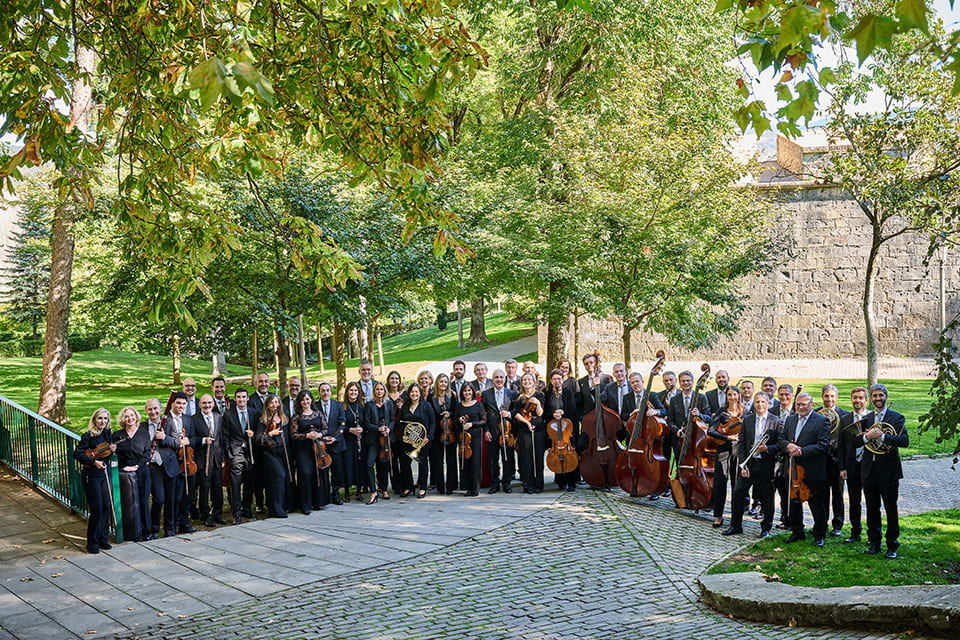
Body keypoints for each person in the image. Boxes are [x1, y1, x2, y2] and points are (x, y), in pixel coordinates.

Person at [723, 392, 782, 538]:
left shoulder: (776, 421)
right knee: (738, 493)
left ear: (768, 404)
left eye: (763, 402)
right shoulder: (747, 420)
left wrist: (767, 449)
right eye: (757, 402)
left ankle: (766, 528)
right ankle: (736, 526)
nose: (760, 405)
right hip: (750, 464)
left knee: (767, 497)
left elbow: (781, 444)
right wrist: (743, 465)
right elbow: (742, 443)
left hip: (767, 464)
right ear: (754, 404)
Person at [861, 383, 908, 559]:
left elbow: (904, 441)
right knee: (872, 508)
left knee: (891, 508)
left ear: (885, 397)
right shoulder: (866, 418)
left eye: (880, 395)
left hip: (888, 471)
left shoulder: (897, 418)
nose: (878, 399)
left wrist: (882, 436)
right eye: (874, 396)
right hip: (869, 470)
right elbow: (857, 440)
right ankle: (874, 543)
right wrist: (867, 436)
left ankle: (892, 545)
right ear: (871, 399)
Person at [778, 391, 830, 546]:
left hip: (813, 470)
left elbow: (823, 445)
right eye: (798, 404)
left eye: (804, 404)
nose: (800, 407)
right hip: (793, 469)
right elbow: (781, 439)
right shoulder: (790, 419)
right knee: (794, 503)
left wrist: (801, 451)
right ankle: (797, 532)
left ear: (812, 405)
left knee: (816, 504)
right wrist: (788, 445)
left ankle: (820, 534)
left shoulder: (822, 421)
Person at [74, 408, 116, 553]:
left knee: (106, 507)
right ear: (94, 420)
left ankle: (103, 539)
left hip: (105, 473)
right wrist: (93, 463)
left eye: (105, 419)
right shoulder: (88, 436)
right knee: (97, 509)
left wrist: (112, 450)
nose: (103, 421)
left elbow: (106, 455)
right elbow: (77, 454)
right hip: (91, 475)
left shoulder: (107, 434)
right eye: (100, 418)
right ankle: (92, 542)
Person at [706, 387, 745, 528]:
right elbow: (710, 431)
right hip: (723, 450)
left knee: (737, 485)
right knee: (719, 483)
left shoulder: (745, 411)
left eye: (735, 394)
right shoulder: (721, 412)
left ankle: (735, 518)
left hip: (739, 451)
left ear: (739, 396)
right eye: (730, 394)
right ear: (726, 396)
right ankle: (718, 516)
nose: (732, 397)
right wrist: (726, 437)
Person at [817, 384, 850, 537]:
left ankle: (837, 525)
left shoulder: (844, 415)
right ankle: (821, 524)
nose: (829, 399)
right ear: (822, 397)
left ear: (836, 397)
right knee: (821, 495)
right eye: (826, 396)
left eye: (832, 396)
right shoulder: (815, 414)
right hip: (820, 460)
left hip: (837, 461)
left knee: (837, 495)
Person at [837, 386, 870, 543]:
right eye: (854, 397)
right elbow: (841, 446)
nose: (857, 400)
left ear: (866, 400)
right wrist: (842, 467)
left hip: (869, 465)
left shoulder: (872, 418)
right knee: (854, 501)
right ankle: (855, 532)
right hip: (852, 466)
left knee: (872, 501)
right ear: (851, 399)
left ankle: (872, 535)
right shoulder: (845, 419)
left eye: (860, 398)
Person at [114, 405, 150, 542]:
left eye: (132, 415)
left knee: (143, 502)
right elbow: (115, 453)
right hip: (125, 475)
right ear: (123, 419)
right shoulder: (117, 435)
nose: (130, 418)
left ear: (136, 417)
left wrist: (136, 466)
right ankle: (131, 532)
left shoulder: (143, 433)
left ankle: (146, 531)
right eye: (127, 416)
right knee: (128, 503)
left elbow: (147, 454)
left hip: (141, 471)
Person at [221, 387, 258, 524]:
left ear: (248, 398)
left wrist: (253, 435)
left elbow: (259, 432)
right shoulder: (228, 414)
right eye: (238, 397)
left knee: (249, 482)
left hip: (250, 453)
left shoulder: (254, 413)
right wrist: (229, 453)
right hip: (235, 453)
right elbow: (225, 435)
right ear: (235, 399)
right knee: (235, 484)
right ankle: (236, 512)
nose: (241, 400)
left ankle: (247, 509)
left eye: (244, 397)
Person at [290, 389, 328, 514]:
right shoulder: (296, 417)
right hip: (303, 449)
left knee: (317, 473)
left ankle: (317, 502)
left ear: (311, 400)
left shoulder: (318, 414)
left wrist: (319, 434)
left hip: (317, 448)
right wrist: (306, 436)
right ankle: (305, 505)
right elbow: (293, 435)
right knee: (305, 473)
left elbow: (325, 429)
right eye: (303, 400)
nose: (305, 402)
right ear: (299, 402)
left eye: (307, 399)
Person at [256, 394, 294, 518]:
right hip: (270, 453)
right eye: (271, 403)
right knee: (278, 478)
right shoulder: (263, 420)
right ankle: (276, 510)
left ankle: (286, 506)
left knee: (287, 477)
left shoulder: (284, 419)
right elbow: (259, 440)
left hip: (285, 451)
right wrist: (270, 434)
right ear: (267, 405)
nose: (274, 405)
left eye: (276, 402)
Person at [481, 369, 516, 494]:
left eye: (501, 377)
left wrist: (510, 414)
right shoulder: (486, 394)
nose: (499, 379)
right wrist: (486, 430)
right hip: (492, 431)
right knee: (493, 460)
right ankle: (494, 484)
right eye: (496, 377)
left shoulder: (512, 394)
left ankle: (506, 483)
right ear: (493, 379)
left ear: (504, 379)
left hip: (507, 432)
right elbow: (482, 415)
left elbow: (516, 411)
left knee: (507, 459)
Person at [192, 394, 225, 527]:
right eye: (204, 403)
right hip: (202, 458)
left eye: (209, 403)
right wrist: (203, 440)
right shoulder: (194, 419)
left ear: (213, 403)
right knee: (204, 487)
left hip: (217, 458)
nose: (207, 405)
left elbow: (221, 438)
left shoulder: (218, 417)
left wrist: (223, 457)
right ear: (199, 404)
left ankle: (217, 514)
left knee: (217, 487)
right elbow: (192, 438)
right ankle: (206, 515)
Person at [544, 368, 579, 491]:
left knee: (569, 453)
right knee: (557, 453)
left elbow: (573, 411)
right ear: (551, 380)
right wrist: (552, 414)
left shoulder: (568, 392)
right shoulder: (547, 394)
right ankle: (560, 481)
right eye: (554, 379)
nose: (557, 381)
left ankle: (572, 482)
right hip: (554, 429)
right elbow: (545, 413)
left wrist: (563, 412)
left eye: (559, 378)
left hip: (566, 429)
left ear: (563, 380)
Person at [399, 383, 436, 498]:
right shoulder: (405, 407)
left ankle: (423, 487)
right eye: (412, 392)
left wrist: (428, 437)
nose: (414, 394)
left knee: (423, 463)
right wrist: (403, 436)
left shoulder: (426, 406)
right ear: (409, 393)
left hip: (423, 441)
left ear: (420, 393)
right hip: (409, 441)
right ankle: (409, 487)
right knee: (405, 463)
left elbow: (432, 423)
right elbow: (401, 423)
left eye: (416, 392)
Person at [512, 372, 545, 494]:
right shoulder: (519, 397)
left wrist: (537, 403)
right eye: (524, 380)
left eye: (529, 380)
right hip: (524, 430)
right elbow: (516, 413)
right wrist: (526, 422)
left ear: (533, 381)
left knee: (538, 457)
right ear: (521, 383)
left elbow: (540, 413)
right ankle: (528, 484)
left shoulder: (539, 395)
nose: (527, 382)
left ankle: (539, 485)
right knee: (526, 458)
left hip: (539, 430)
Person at [364, 381, 395, 503]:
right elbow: (366, 423)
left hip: (385, 438)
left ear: (384, 391)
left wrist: (388, 428)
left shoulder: (389, 404)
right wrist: (378, 428)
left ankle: (384, 488)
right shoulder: (369, 405)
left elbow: (392, 420)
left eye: (381, 389)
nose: (379, 391)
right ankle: (373, 491)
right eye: (377, 389)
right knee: (369, 464)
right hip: (373, 439)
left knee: (384, 464)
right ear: (374, 391)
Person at [317, 382, 346, 505]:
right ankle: (325, 496)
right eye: (323, 390)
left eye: (327, 390)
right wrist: (323, 438)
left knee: (337, 471)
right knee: (323, 471)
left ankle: (335, 494)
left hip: (336, 443)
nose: (325, 393)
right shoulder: (314, 406)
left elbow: (342, 423)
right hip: (321, 445)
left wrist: (335, 438)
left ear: (331, 391)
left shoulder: (338, 405)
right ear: (319, 393)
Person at [454, 383, 485, 497]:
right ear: (462, 392)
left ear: (473, 392)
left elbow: (484, 420)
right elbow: (455, 421)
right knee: (465, 462)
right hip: (463, 438)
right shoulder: (459, 405)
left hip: (475, 437)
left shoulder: (478, 405)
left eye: (469, 390)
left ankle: (476, 488)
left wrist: (472, 424)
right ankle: (468, 487)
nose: (467, 393)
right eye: (465, 391)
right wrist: (459, 420)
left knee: (475, 462)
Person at [430, 373, 458, 495]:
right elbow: (430, 414)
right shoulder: (431, 397)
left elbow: (456, 411)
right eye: (441, 381)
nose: (443, 384)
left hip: (450, 431)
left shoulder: (451, 396)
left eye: (445, 382)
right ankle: (440, 486)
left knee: (451, 459)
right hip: (437, 432)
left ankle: (451, 486)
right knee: (438, 460)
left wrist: (450, 414)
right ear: (437, 383)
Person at [342, 381, 367, 502]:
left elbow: (366, 423)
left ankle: (359, 490)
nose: (353, 393)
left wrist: (362, 429)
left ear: (359, 393)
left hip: (360, 440)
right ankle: (347, 491)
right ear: (347, 392)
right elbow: (340, 426)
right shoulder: (343, 407)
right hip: (348, 440)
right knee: (348, 465)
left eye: (355, 391)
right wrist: (350, 430)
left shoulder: (362, 406)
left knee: (359, 464)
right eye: (351, 390)